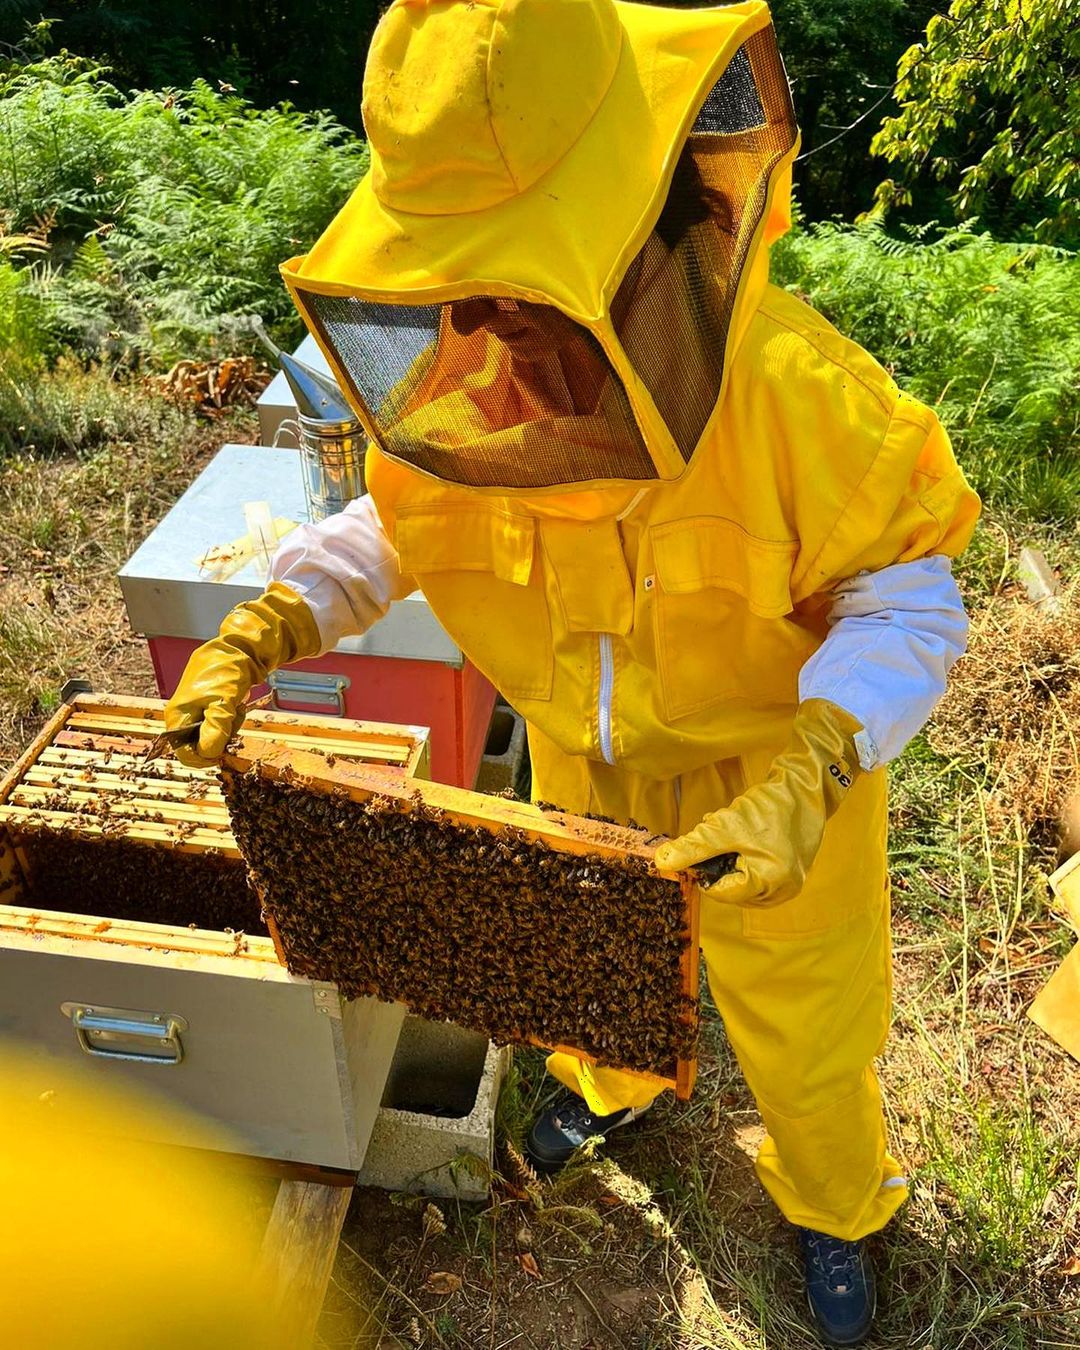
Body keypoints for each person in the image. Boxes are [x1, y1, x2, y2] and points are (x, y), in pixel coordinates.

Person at [165, 1, 980, 1342]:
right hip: (587, 760)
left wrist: (818, 762)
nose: (493, 344)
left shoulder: (799, 393)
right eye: (463, 291)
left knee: (808, 1028)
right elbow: (398, 520)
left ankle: (835, 1203)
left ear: (646, 234)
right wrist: (271, 621)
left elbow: (908, 601)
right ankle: (611, 1084)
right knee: (592, 966)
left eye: (524, 292)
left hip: (779, 769)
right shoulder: (473, 372)